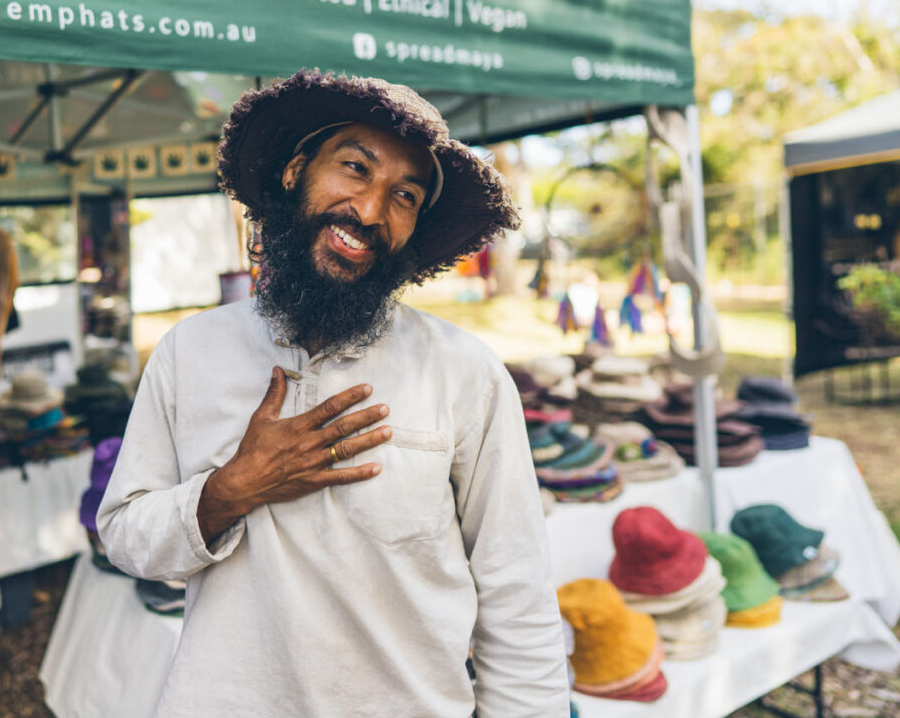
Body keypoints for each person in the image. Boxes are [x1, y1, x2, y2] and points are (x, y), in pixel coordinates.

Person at [98, 70, 569, 716]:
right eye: (354, 167)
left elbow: (517, 596)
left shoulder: (465, 373)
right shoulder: (191, 351)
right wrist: (230, 489)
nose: (371, 210)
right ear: (296, 170)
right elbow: (125, 537)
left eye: (404, 195)